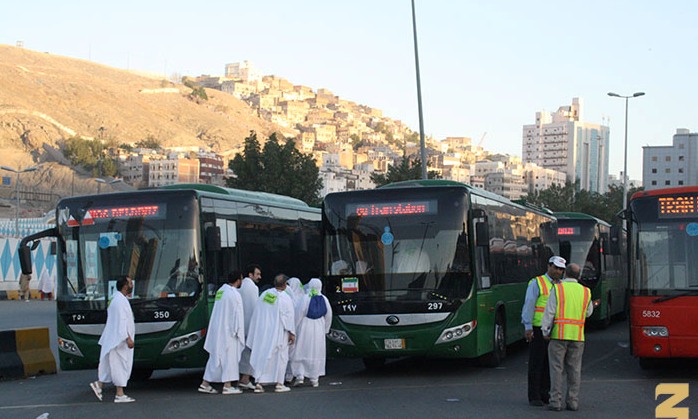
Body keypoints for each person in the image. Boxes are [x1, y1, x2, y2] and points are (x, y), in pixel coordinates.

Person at [542, 263, 593, 412]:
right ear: (578, 275)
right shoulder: (585, 291)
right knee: (574, 370)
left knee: (557, 369)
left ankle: (555, 401)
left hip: (559, 335)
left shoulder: (557, 289)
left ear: (565, 274)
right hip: (577, 336)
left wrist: (545, 331)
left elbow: (549, 312)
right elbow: (588, 312)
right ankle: (573, 401)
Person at [521, 255, 566, 406]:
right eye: (556, 268)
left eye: (561, 269)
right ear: (549, 266)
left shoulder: (561, 285)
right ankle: (534, 396)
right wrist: (527, 326)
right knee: (536, 363)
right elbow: (529, 304)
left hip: (553, 329)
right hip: (538, 328)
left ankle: (545, 393)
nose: (558, 271)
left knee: (549, 364)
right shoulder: (537, 283)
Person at [246, 273, 296, 393]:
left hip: (263, 332)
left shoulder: (265, 294)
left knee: (262, 355)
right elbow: (288, 317)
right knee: (280, 357)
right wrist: (292, 333)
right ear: (284, 285)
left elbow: (257, 312)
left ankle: (259, 383)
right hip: (278, 333)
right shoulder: (285, 298)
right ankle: (279, 383)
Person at [90, 275, 136, 403]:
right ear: (125, 286)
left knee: (111, 365)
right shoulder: (120, 301)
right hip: (119, 340)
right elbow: (121, 322)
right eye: (131, 283)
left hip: (114, 338)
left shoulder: (116, 298)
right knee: (120, 365)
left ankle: (99, 385)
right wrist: (128, 338)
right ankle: (120, 394)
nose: (132, 285)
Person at [198, 271, 245, 395]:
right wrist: (238, 332)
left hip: (217, 330)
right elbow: (237, 315)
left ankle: (205, 384)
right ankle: (227, 385)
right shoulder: (235, 295)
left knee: (215, 358)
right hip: (229, 332)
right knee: (229, 358)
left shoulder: (221, 291)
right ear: (238, 280)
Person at [290, 278, 332, 387]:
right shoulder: (324, 299)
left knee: (301, 349)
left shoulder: (305, 298)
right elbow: (329, 315)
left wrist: (293, 328)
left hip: (305, 326)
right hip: (319, 327)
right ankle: (314, 378)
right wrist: (325, 330)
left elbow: (299, 313)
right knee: (316, 351)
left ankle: (300, 375)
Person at [238, 264, 262, 390]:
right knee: (252, 353)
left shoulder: (241, 287)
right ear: (250, 275)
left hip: (241, 327)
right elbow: (254, 309)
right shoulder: (252, 288)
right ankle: (246, 379)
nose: (260, 277)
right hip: (251, 327)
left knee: (243, 354)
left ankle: (242, 378)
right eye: (257, 274)